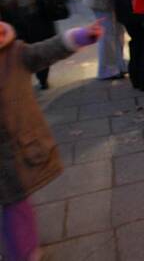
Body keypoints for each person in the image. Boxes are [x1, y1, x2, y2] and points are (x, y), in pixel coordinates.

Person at [0, 20, 102, 261]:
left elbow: (46, 50)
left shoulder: (14, 54)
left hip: (15, 150)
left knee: (15, 203)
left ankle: (25, 252)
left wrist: (79, 36)